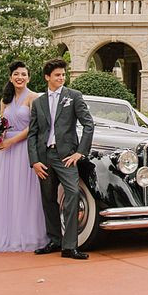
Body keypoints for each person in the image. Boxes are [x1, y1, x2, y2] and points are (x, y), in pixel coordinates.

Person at [27, 58, 95, 259]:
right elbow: (32, 133)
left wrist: (80, 152)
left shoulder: (73, 96)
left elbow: (88, 125)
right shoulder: (38, 102)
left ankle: (70, 246)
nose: (62, 78)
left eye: (63, 75)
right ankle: (55, 241)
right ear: (47, 77)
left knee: (73, 194)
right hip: (44, 157)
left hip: (66, 157)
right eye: (57, 75)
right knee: (48, 199)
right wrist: (34, 161)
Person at [0, 61, 49, 252]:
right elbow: (1, 122)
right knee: (8, 191)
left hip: (24, 147)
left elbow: (33, 127)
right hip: (6, 150)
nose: (20, 78)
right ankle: (7, 234)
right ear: (11, 77)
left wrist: (12, 141)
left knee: (25, 191)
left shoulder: (34, 98)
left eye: (23, 74)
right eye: (16, 74)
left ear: (29, 77)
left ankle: (26, 235)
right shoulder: (5, 100)